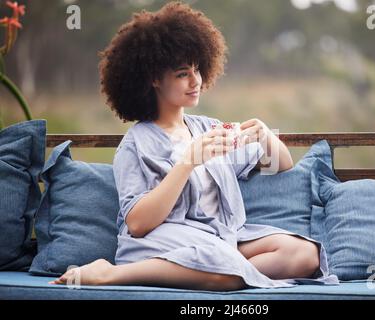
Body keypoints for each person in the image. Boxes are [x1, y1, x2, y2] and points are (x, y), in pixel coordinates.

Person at [49, 1, 337, 290]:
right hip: (166, 241)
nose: (195, 81)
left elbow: (281, 165)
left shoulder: (208, 128)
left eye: (197, 70)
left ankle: (220, 270)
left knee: (305, 253)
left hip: (222, 239)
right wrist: (188, 163)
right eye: (182, 73)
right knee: (221, 263)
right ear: (153, 79)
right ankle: (111, 273)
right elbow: (137, 223)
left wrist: (265, 136)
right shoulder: (135, 143)